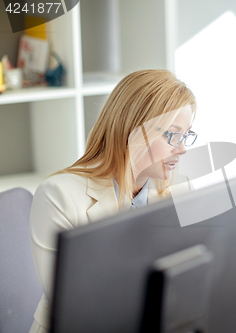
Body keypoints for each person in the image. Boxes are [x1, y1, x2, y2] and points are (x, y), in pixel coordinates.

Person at [29, 69, 198, 333]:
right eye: (172, 135)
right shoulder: (59, 196)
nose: (183, 147)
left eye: (186, 134)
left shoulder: (180, 189)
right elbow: (77, 308)